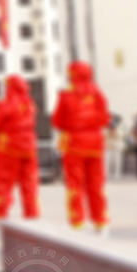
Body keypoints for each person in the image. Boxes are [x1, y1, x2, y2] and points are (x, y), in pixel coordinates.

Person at [51, 61, 112, 233]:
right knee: (97, 183)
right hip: (95, 142)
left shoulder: (66, 94)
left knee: (75, 183)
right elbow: (105, 119)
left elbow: (57, 121)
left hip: (74, 143)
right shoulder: (98, 93)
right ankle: (101, 221)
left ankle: (78, 222)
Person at [0, 75, 40, 220]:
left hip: (9, 146)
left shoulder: (6, 105)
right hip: (29, 146)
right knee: (29, 182)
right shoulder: (30, 104)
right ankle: (32, 213)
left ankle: (0, 212)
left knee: (4, 182)